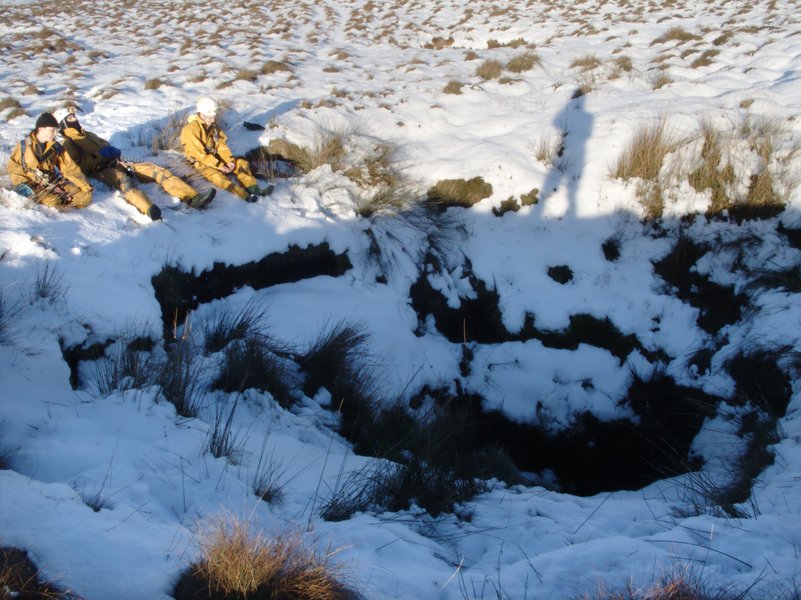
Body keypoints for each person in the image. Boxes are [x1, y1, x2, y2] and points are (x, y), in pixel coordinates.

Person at [53, 107, 215, 221]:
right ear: (63, 123)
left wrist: (111, 150)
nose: (75, 119)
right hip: (102, 170)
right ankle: (149, 209)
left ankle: (193, 198)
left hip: (118, 162)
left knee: (155, 169)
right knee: (125, 182)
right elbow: (80, 167)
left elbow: (104, 145)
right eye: (70, 118)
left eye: (74, 117)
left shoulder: (88, 134)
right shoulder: (68, 143)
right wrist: (98, 155)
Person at [179, 96, 273, 203]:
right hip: (201, 163)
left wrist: (229, 161)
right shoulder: (190, 130)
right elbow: (200, 155)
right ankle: (245, 196)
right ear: (202, 114)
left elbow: (221, 145)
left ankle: (255, 190)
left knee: (241, 163)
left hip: (215, 158)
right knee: (218, 177)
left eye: (214, 116)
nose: (213, 119)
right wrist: (220, 165)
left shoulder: (213, 126)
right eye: (210, 117)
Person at [7, 112, 93, 210]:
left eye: (56, 130)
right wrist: (27, 185)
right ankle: (58, 203)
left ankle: (63, 201)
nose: (55, 134)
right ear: (41, 129)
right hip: (32, 186)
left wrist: (84, 185)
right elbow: (13, 168)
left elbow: (70, 169)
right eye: (52, 130)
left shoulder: (56, 147)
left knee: (85, 198)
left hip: (52, 183)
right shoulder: (23, 146)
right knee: (53, 202)